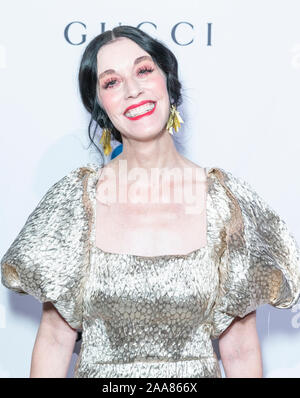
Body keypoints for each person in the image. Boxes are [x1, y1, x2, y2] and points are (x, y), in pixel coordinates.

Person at [1, 25, 300, 379]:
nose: (132, 89)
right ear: (100, 107)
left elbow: (240, 350)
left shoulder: (225, 204)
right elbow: (53, 341)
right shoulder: (76, 204)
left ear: (168, 82)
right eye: (111, 82)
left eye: (143, 70)